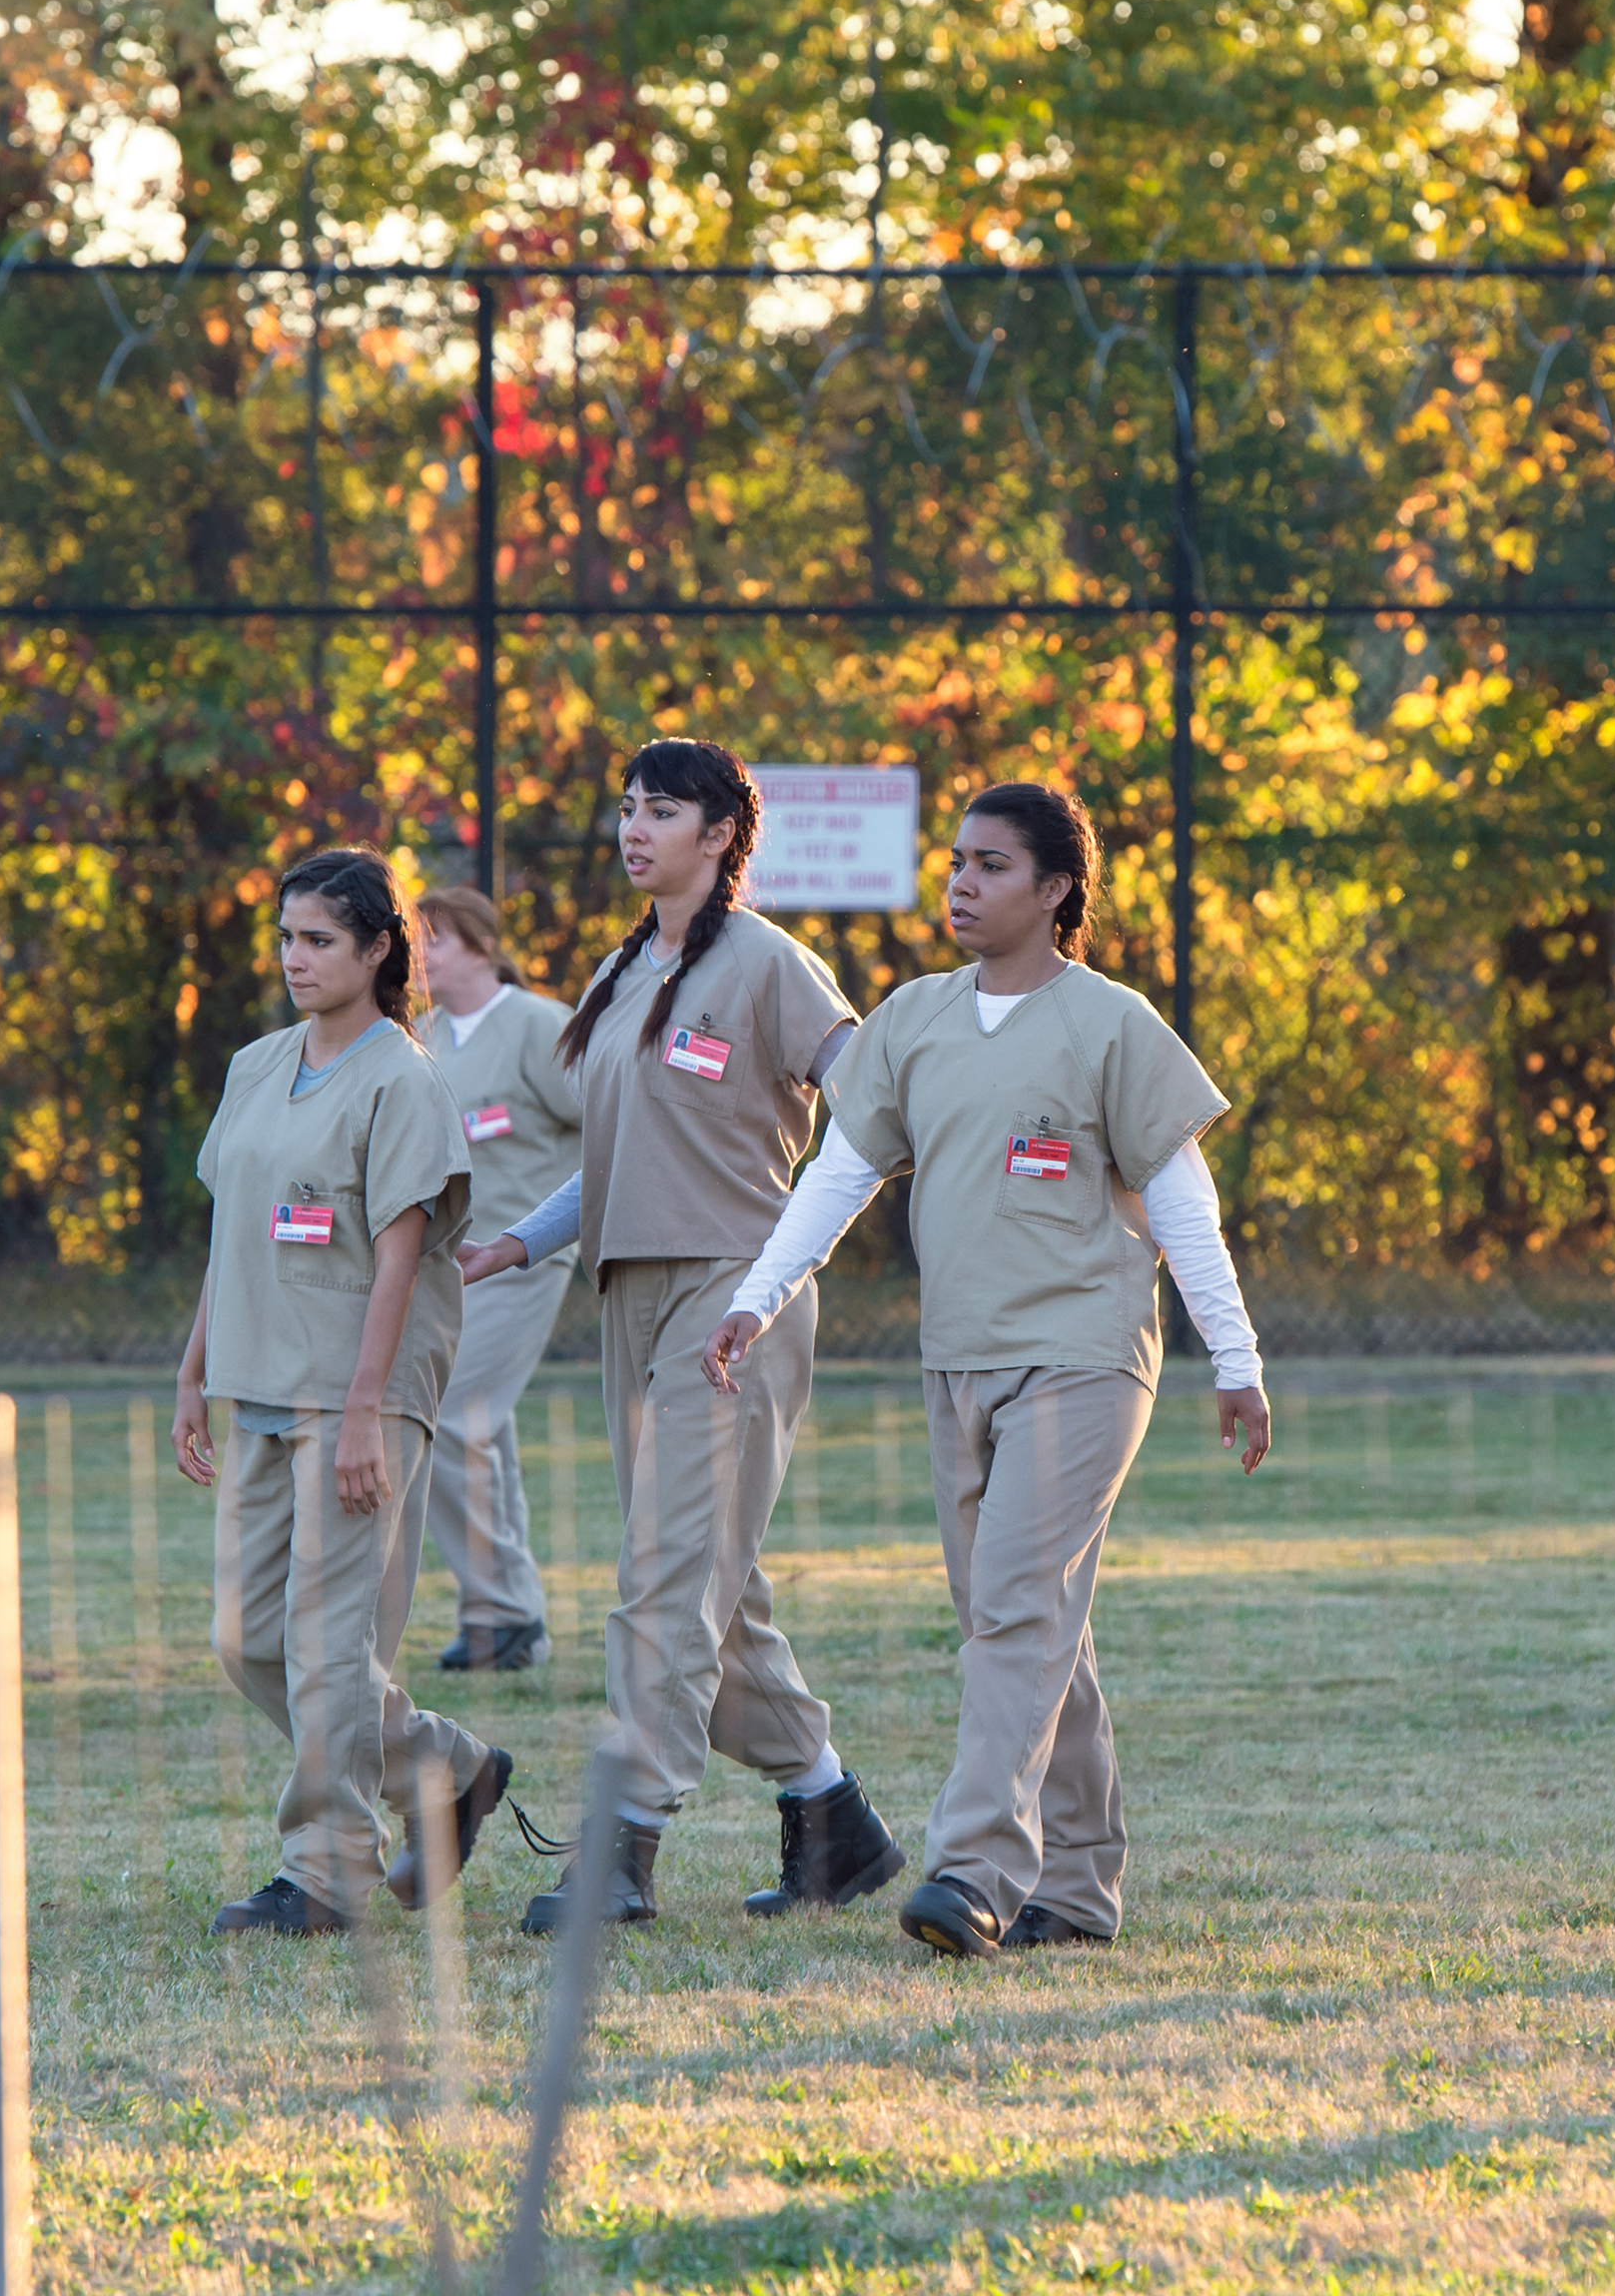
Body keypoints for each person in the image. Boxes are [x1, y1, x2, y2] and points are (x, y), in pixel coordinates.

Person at [703, 782, 1271, 1959]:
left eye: (992, 867)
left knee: (1015, 1609)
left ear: (1057, 889)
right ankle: (1081, 1884)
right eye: (956, 862)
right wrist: (758, 1297)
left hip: (1085, 1358)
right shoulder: (910, 1019)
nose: (961, 884)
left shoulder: (1113, 1024)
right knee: (1020, 1620)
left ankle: (974, 1870)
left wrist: (1236, 1352)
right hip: (958, 1360)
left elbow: (1181, 1200)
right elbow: (842, 1174)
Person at [458, 737, 900, 1934]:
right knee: (712, 1578)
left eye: (663, 810)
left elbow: (872, 1099)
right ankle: (832, 1818)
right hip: (627, 1293)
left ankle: (626, 1841)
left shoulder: (768, 963)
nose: (634, 827)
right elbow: (612, 1156)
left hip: (731, 1298)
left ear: (721, 836)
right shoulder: (619, 969)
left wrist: (800, 1250)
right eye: (628, 807)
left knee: (665, 1575)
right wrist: (518, 1241)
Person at [171, 848, 508, 1936]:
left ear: (376, 951)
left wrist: (366, 1410)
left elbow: (403, 1255)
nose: (295, 958)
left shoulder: (403, 1079)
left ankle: (327, 1871)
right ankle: (443, 1765)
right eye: (285, 938)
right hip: (258, 1377)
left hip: (360, 1392)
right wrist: (193, 1371)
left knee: (324, 1641)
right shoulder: (257, 1065)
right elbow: (230, 1230)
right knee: (247, 1640)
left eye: (319, 939)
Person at [409, 885, 575, 1677]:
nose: (418, 956)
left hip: (522, 1259)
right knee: (483, 1431)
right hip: (446, 1271)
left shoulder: (539, 1024)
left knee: (447, 1420)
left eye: (430, 939)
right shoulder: (420, 1035)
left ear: (477, 942)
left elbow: (613, 1120)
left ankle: (501, 1609)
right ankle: (509, 1620)